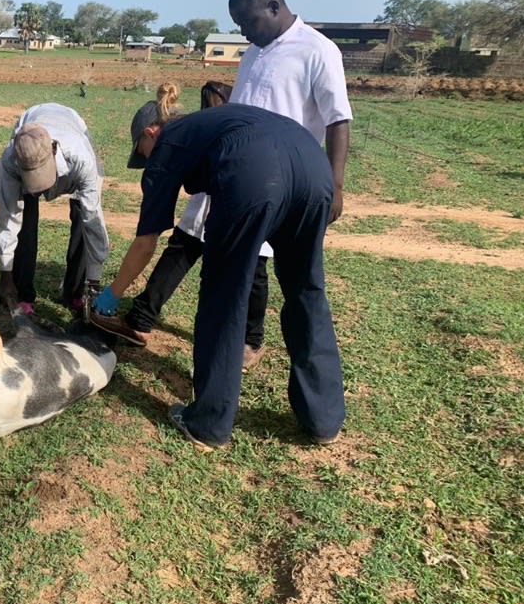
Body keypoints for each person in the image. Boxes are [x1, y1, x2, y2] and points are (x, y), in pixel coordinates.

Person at [95, 0, 352, 372]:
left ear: (274, 6)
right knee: (187, 236)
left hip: (277, 179)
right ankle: (142, 317)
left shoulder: (318, 51)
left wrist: (334, 183)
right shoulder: (253, 54)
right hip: (229, 168)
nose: (245, 33)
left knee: (256, 259)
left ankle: (251, 339)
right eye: (239, 27)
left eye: (249, 22)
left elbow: (338, 120)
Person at [91, 101, 346, 450]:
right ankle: (324, 419)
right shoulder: (210, 123)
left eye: (143, 153)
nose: (148, 162)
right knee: (306, 290)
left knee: (224, 295)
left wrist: (111, 296)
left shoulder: (169, 142)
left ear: (151, 132)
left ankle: (208, 423)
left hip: (255, 173)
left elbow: (146, 242)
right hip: (314, 169)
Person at [0, 103, 109, 317]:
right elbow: (8, 218)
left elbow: (93, 220)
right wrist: (6, 276)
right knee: (25, 222)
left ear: (53, 150)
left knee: (83, 217)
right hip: (30, 128)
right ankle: (22, 293)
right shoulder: (12, 159)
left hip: (71, 129)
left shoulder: (80, 157)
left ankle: (76, 292)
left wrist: (94, 282)